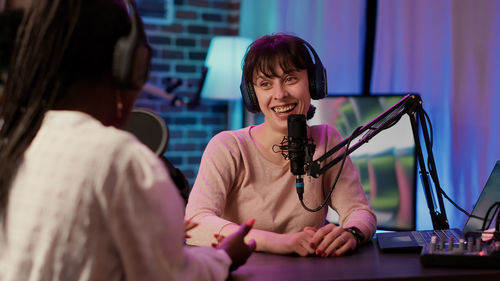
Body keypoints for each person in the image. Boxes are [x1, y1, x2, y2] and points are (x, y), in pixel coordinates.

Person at [0, 1, 255, 280]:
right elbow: (172, 276)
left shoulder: (19, 140)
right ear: (129, 66)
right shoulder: (116, 157)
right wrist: (224, 257)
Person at [185, 33, 376, 258]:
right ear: (252, 95)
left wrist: (351, 232)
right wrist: (279, 242)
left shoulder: (326, 140)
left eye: (290, 79)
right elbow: (196, 221)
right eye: (265, 84)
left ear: (314, 83)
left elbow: (359, 211)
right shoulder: (228, 147)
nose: (280, 95)